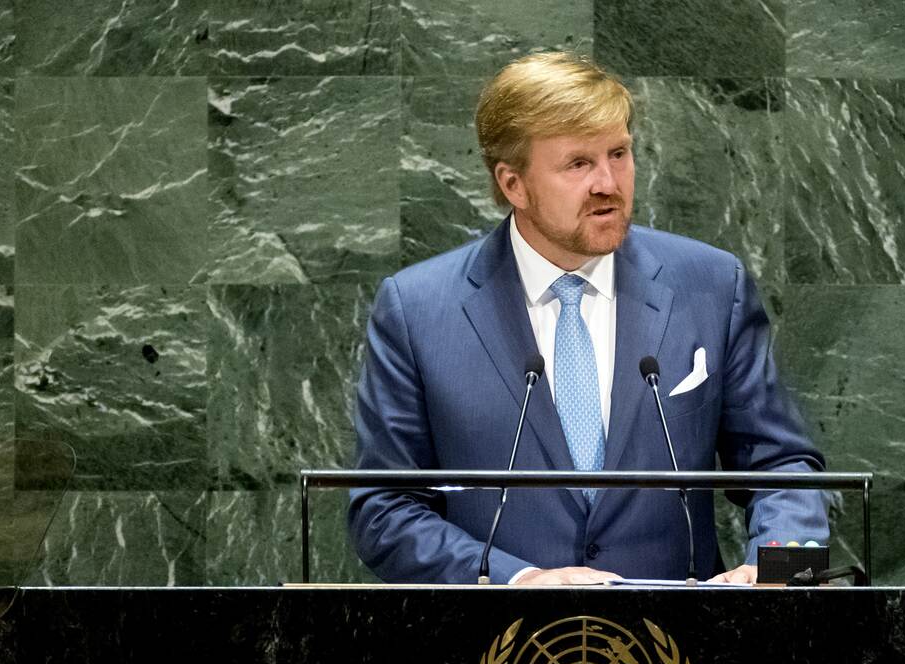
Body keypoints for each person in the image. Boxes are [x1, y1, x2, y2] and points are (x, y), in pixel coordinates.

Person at [348, 52, 828, 585]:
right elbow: (383, 509)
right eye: (578, 164)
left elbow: (782, 467)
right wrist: (517, 580)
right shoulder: (417, 310)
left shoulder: (712, 285)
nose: (608, 183)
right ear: (513, 184)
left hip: (682, 632)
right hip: (498, 632)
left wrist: (780, 575)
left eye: (618, 154)